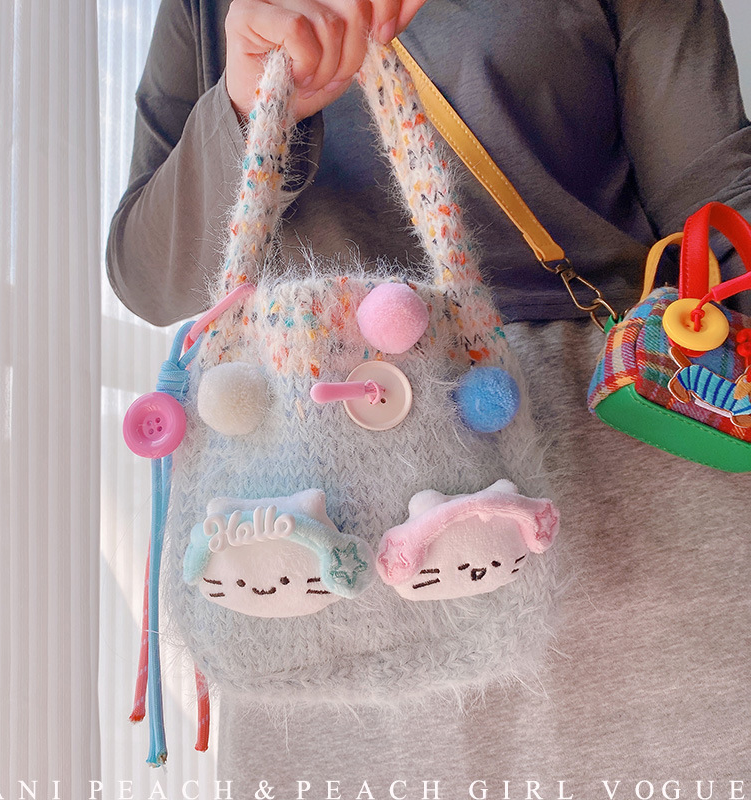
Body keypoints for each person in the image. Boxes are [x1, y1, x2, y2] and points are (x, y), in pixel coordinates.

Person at [108, 0, 751, 789]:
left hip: (613, 477)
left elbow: (719, 204)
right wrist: (244, 103)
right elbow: (150, 278)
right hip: (310, 467)